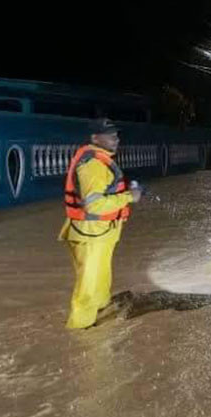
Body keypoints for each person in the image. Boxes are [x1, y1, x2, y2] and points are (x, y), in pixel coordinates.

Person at [58, 118, 142, 329]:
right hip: (91, 233)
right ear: (95, 137)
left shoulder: (99, 159)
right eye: (110, 134)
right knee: (89, 284)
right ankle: (80, 329)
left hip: (98, 233)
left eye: (116, 134)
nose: (116, 138)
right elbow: (94, 206)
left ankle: (102, 311)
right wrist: (129, 197)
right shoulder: (93, 164)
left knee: (100, 278)